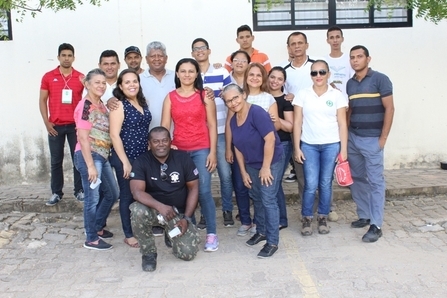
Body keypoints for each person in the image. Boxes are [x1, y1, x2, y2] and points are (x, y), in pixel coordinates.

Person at [161, 58, 219, 252]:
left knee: (203, 191)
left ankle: (211, 234)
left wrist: (212, 152)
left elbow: (212, 124)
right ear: (177, 74)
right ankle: (190, 230)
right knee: (183, 194)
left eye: (191, 71)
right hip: (179, 151)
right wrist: (167, 152)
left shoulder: (205, 96)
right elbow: (164, 128)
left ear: (196, 74)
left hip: (201, 149)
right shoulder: (170, 97)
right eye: (183, 71)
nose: (187, 74)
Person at [222, 84, 283, 258]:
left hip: (270, 161)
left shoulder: (257, 113)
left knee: (268, 199)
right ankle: (262, 231)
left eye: (235, 98)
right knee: (256, 197)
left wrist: (265, 167)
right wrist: (243, 172)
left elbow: (270, 139)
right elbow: (238, 148)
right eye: (229, 101)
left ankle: (272, 241)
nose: (233, 103)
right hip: (251, 163)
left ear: (243, 95)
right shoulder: (233, 121)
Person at [129, 126, 201, 272]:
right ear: (149, 143)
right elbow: (137, 192)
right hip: (154, 211)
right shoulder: (141, 161)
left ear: (170, 141)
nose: (160, 144)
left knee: (187, 254)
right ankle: (148, 253)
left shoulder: (183, 158)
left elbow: (194, 188)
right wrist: (160, 206)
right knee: (137, 210)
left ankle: (171, 235)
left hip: (177, 214)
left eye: (164, 140)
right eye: (156, 141)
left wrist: (186, 218)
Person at [292, 60, 348, 236]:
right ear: (311, 76)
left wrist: (343, 150)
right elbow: (297, 123)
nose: (318, 76)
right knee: (310, 184)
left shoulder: (337, 95)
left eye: (322, 72)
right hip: (309, 145)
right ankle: (307, 217)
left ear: (328, 74)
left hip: (331, 144)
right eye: (314, 73)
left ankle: (323, 216)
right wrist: (296, 147)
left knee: (325, 183)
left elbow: (342, 124)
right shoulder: (303, 94)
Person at [347, 45, 394, 243]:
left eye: (359, 57)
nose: (355, 60)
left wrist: (383, 138)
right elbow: (349, 111)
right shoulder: (350, 84)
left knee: (375, 181)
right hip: (353, 139)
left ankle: (376, 224)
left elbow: (390, 108)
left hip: (373, 139)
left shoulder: (380, 79)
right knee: (357, 177)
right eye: (352, 57)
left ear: (368, 59)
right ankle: (364, 215)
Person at [73, 68, 119, 250]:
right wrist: (90, 166)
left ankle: (98, 226)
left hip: (102, 155)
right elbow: (83, 137)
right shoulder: (85, 106)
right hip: (89, 156)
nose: (101, 85)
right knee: (92, 199)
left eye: (103, 82)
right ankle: (91, 238)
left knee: (112, 193)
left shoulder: (101, 104)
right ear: (87, 84)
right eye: (96, 82)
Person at [191, 37, 234, 228]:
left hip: (221, 131)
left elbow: (232, 96)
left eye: (203, 48)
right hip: (200, 134)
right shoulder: (190, 74)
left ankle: (226, 210)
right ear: (192, 53)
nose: (200, 51)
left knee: (225, 174)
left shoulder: (221, 71)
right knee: (202, 177)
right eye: (196, 49)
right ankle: (204, 214)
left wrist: (216, 94)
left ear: (209, 51)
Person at [109, 69, 152, 248]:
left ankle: (140, 227)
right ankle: (128, 234)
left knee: (139, 194)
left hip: (141, 156)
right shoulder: (119, 105)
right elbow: (114, 135)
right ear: (120, 85)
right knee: (127, 195)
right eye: (127, 82)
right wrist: (125, 161)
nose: (132, 85)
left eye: (134, 81)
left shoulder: (142, 103)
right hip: (124, 157)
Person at [39, 43, 84, 206]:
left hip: (75, 126)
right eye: (63, 55)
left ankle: (79, 191)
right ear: (58, 57)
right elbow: (42, 100)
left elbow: (87, 102)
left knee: (78, 159)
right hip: (55, 126)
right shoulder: (48, 76)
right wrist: (47, 122)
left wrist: (83, 125)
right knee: (56, 160)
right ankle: (56, 192)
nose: (66, 58)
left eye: (69, 55)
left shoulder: (81, 78)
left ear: (73, 57)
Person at [268, 66, 294, 230]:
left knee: (274, 183)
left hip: (282, 144)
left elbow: (290, 127)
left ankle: (281, 219)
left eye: (279, 78)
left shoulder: (286, 101)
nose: (275, 81)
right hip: (263, 145)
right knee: (269, 182)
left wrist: (276, 120)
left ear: (284, 82)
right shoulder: (262, 97)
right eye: (272, 77)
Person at [325, 26, 355, 103]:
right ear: (327, 40)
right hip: (328, 102)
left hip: (346, 102)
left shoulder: (349, 59)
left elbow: (353, 81)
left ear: (342, 39)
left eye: (337, 37)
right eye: (331, 38)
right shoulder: (323, 61)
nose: (335, 40)